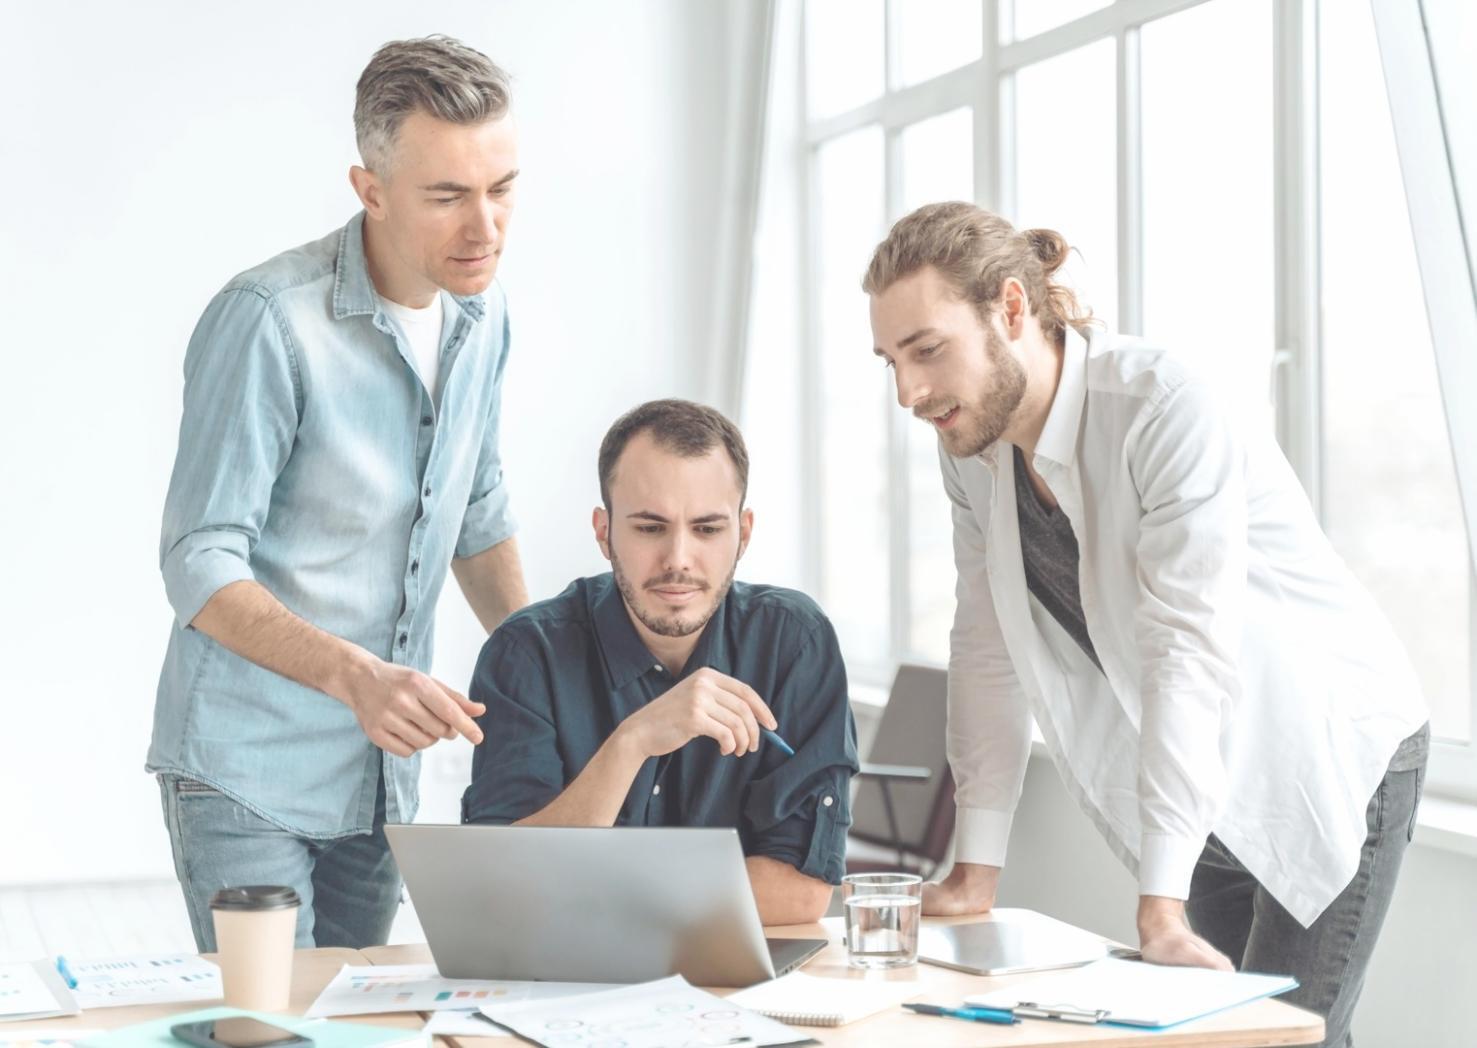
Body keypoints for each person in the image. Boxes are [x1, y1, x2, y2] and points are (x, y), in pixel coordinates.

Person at [864, 201, 1428, 1046]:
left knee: (1280, 1037)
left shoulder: (1160, 406)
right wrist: (972, 871)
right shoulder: (973, 459)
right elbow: (986, 652)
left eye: (927, 351)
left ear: (1011, 309)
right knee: (1211, 1033)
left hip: (1322, 752)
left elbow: (1185, 655)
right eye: (889, 361)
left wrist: (1158, 908)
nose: (908, 392)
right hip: (1198, 777)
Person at [148, 35, 529, 950]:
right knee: (275, 1026)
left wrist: (551, 672)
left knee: (364, 1023)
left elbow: (476, 511)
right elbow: (197, 559)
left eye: (502, 188)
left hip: (381, 775)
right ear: (371, 190)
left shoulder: (483, 315)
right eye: (447, 197)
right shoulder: (269, 319)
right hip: (247, 770)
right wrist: (358, 677)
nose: (485, 228)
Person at [461, 400, 858, 925]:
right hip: (561, 983)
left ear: (744, 532)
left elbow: (800, 892)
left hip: (737, 988)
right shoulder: (525, 654)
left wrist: (588, 889)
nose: (678, 559)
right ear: (604, 532)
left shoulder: (794, 643)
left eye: (708, 529)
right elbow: (501, 887)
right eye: (650, 528)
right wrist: (632, 743)